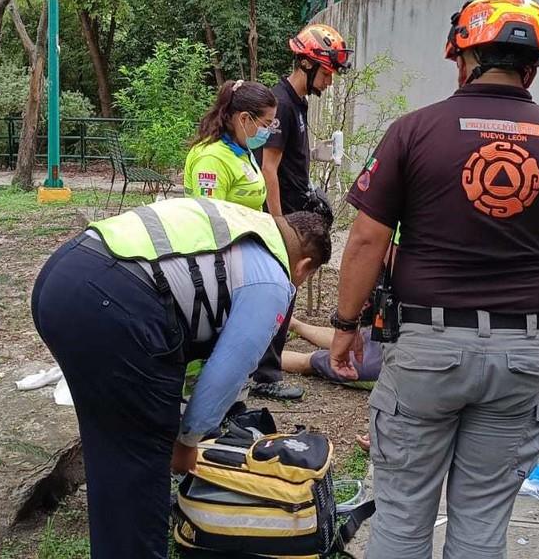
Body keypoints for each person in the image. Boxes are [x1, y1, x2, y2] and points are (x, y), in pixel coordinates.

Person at [326, 0, 539, 558]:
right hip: (522, 355)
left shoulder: (414, 132)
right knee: (482, 526)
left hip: (427, 350)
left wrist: (345, 326)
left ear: (463, 57)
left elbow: (366, 239)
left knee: (402, 517)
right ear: (532, 67)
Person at [31, 198, 331, 558]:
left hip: (64, 277)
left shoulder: (243, 222)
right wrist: (187, 441)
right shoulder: (273, 278)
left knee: (114, 446)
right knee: (142, 461)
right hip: (114, 299)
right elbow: (229, 370)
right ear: (305, 265)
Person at [249, 23, 352, 401]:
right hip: (283, 221)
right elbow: (269, 168)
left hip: (295, 213)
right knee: (278, 293)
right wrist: (280, 226)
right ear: (308, 65)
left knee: (285, 294)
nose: (330, 81)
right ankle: (265, 376)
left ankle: (266, 367)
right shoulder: (282, 104)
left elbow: (291, 164)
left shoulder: (298, 105)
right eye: (327, 72)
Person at [183, 79, 277, 210]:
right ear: (244, 118)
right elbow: (212, 220)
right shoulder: (212, 159)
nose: (267, 131)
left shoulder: (241, 149)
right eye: (265, 124)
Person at [280, 316, 382, 386]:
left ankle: (267, 354)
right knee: (348, 338)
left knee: (313, 360)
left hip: (385, 362)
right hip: (390, 342)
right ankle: (292, 323)